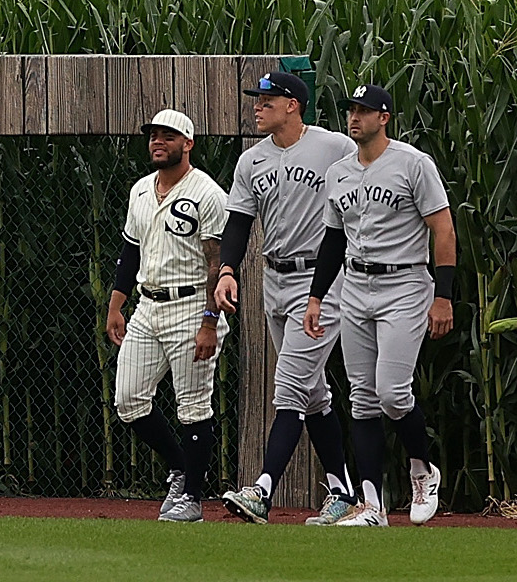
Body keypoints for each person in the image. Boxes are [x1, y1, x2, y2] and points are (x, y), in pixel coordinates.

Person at [304, 82, 458, 527]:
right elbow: (333, 239)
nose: (354, 117)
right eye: (351, 109)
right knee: (362, 400)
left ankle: (423, 471)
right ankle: (371, 507)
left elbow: (443, 230)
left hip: (405, 284)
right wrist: (317, 296)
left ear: (384, 117)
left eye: (365, 110)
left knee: (392, 393)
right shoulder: (339, 172)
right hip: (354, 284)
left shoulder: (412, 164)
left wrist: (443, 295)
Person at [212, 71, 357, 524]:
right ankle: (343, 492)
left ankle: (262, 490)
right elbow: (238, 221)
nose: (257, 107)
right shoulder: (251, 160)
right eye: (257, 99)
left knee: (290, 387)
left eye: (267, 99)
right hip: (274, 280)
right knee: (312, 395)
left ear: (293, 104)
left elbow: (368, 180)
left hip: (321, 281)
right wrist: (228, 270)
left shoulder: (334, 147)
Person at [106, 108, 227, 524]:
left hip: (192, 305)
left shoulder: (207, 193)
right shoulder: (141, 189)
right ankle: (180, 466)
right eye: (154, 135)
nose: (158, 142)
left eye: (168, 136)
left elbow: (217, 264)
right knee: (128, 400)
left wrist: (210, 322)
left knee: (193, 406)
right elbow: (130, 251)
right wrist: (116, 304)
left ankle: (191, 498)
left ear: (187, 144)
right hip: (147, 304)